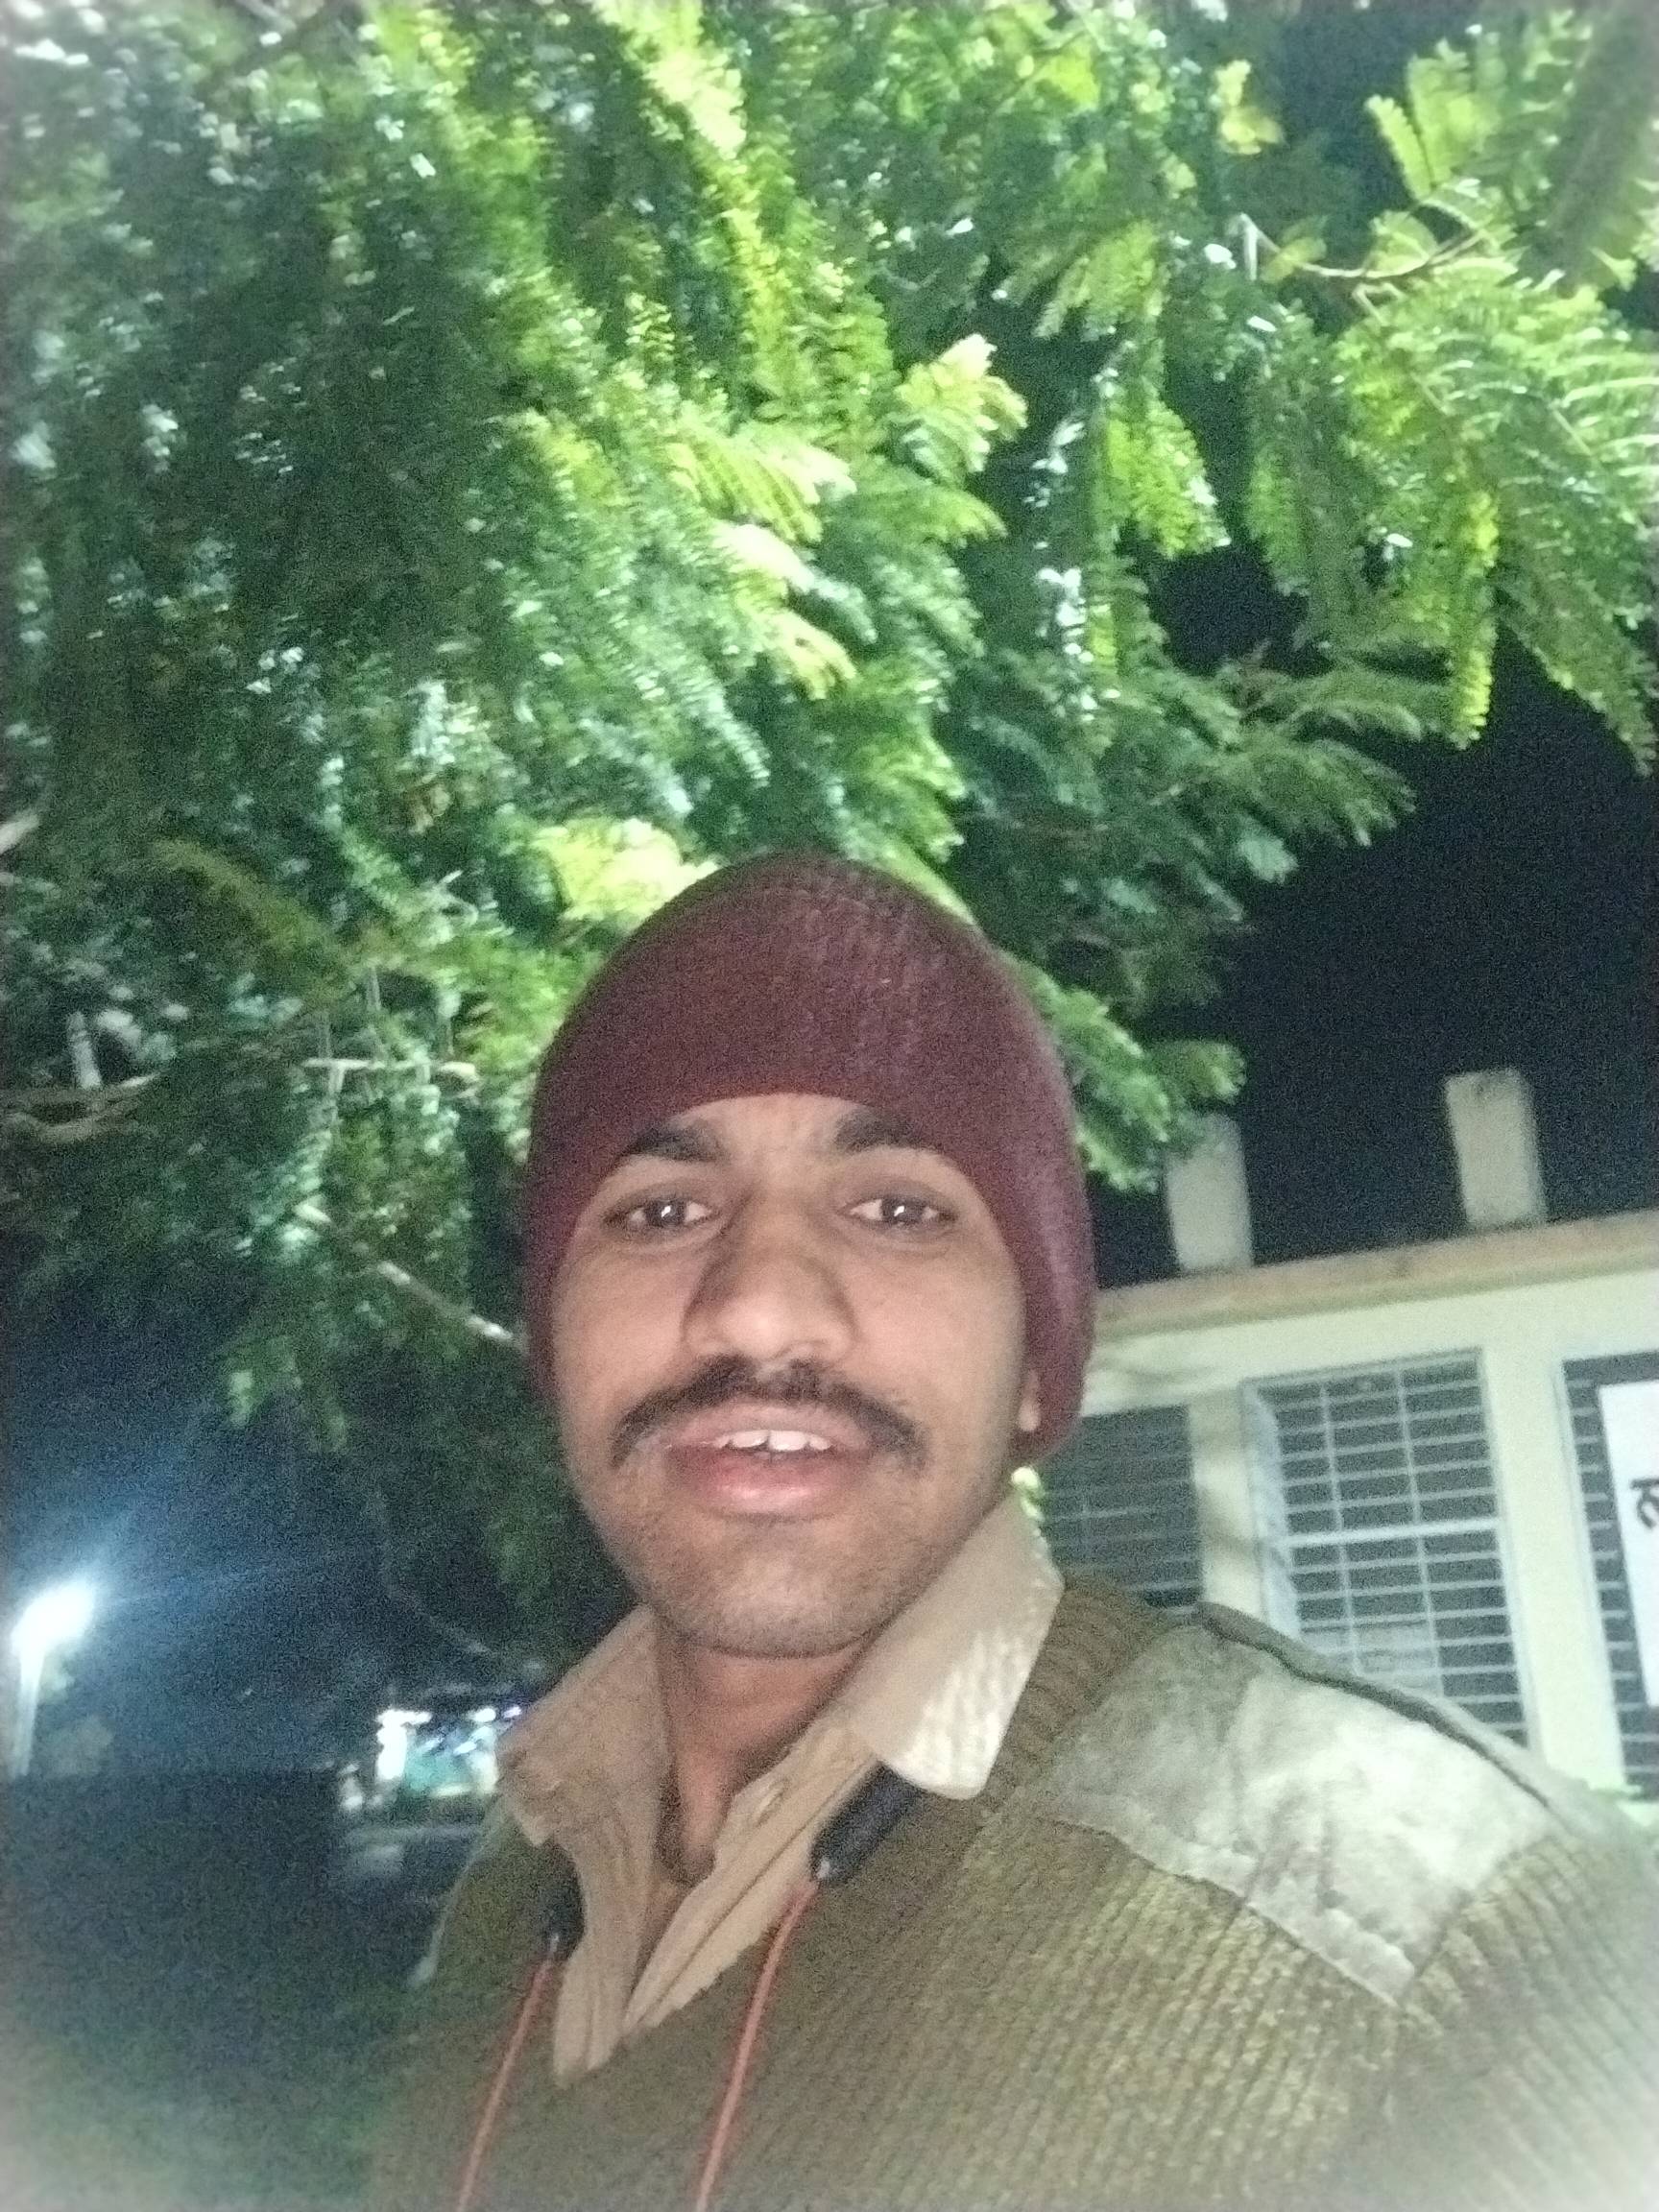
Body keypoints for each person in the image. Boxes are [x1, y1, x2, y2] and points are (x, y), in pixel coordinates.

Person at [371, 854, 1659, 2212]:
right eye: (661, 1211)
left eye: (897, 1209)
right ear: (555, 1345)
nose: (758, 1307)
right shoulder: (511, 1896)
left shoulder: (1442, 1940)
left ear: (1039, 1366)